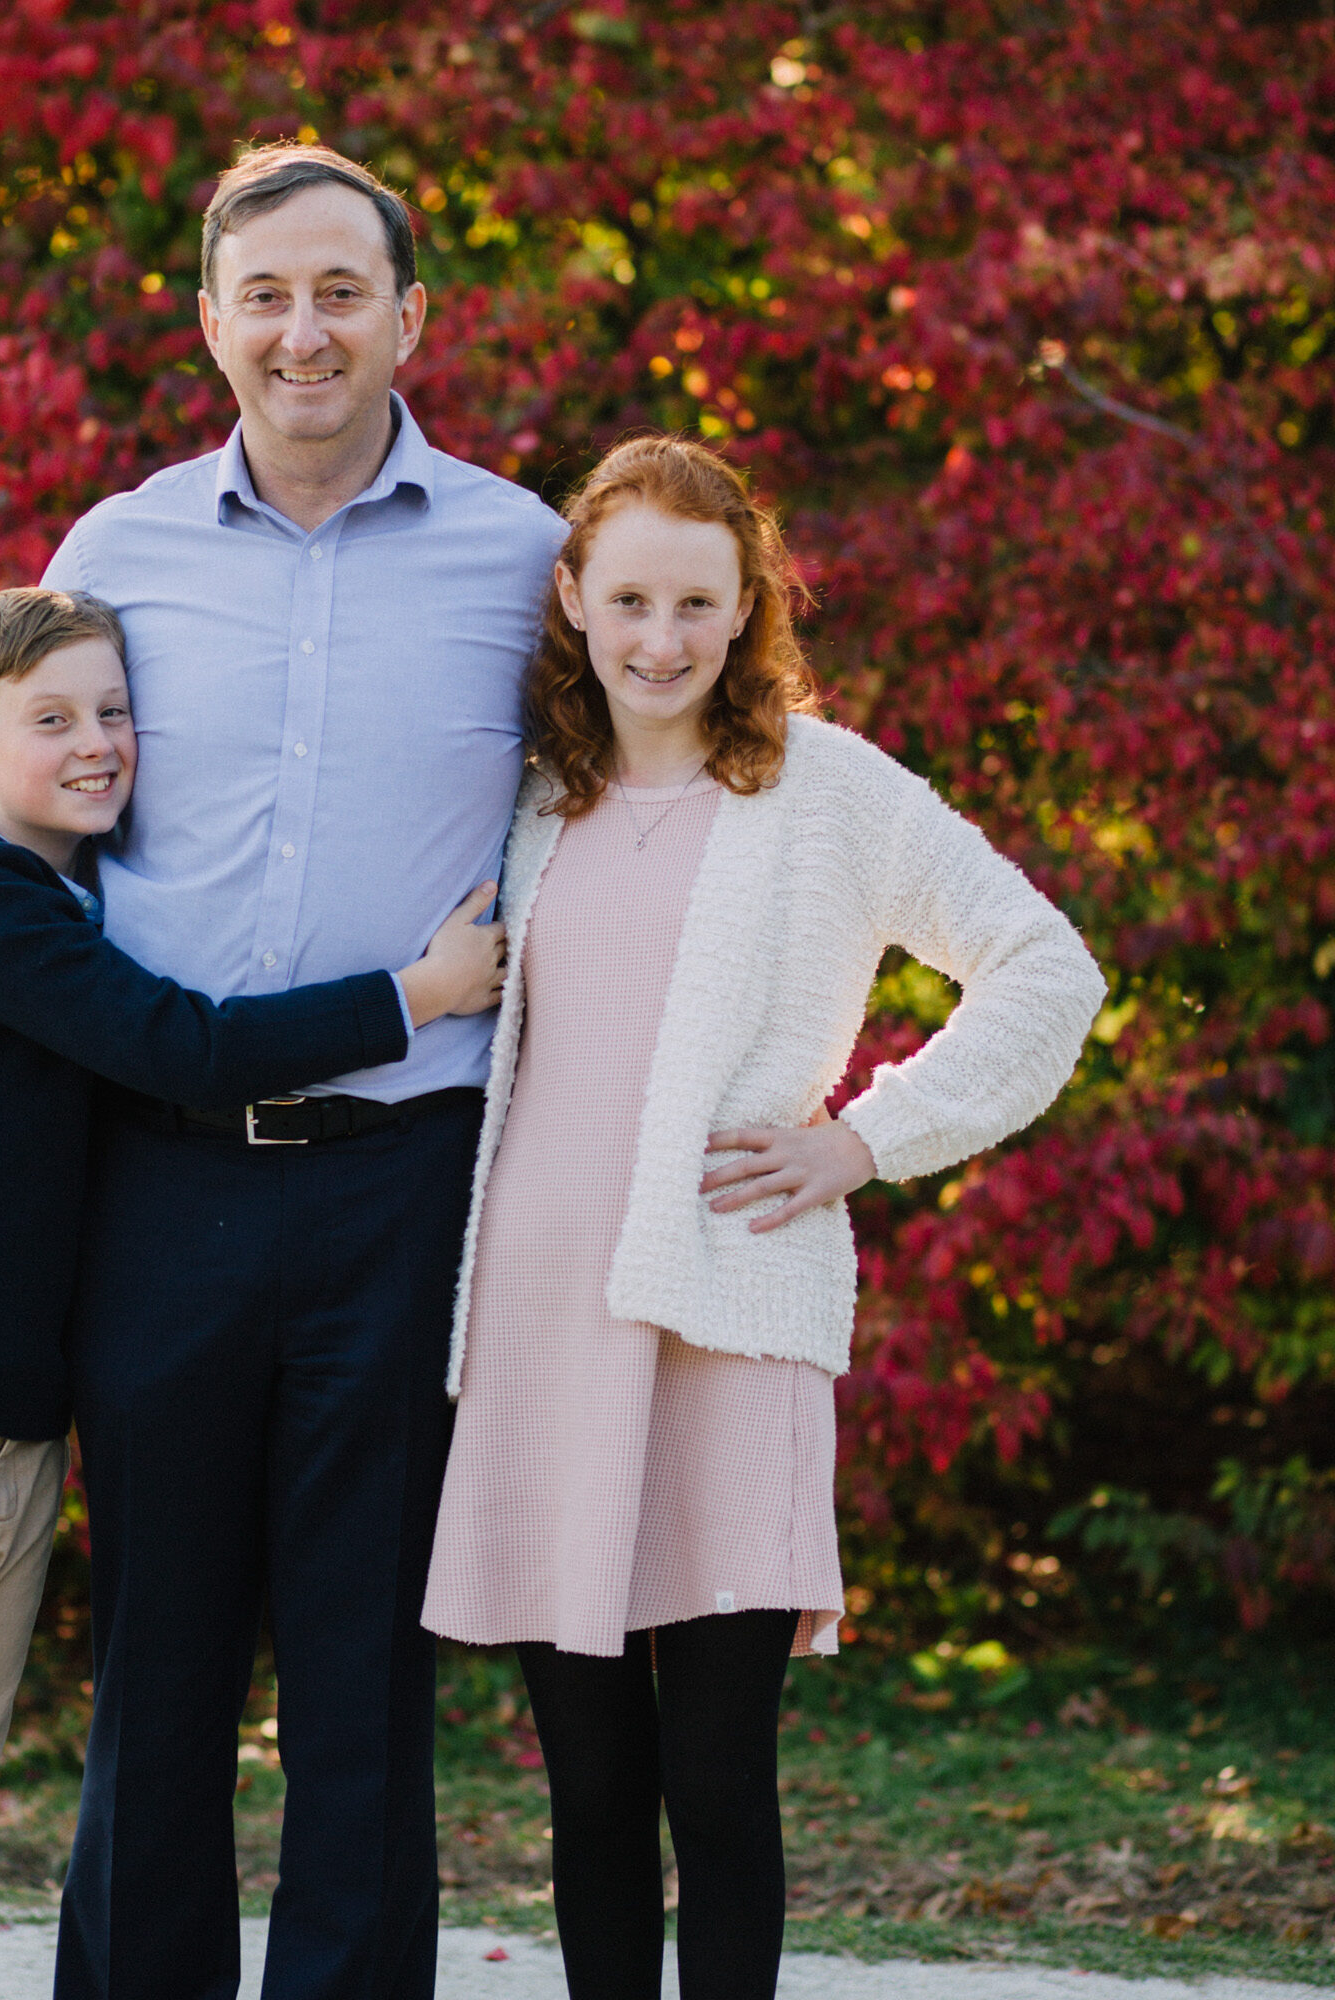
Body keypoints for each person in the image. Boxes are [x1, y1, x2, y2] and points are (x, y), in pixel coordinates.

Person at [0, 142, 568, 2000]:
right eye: (264, 295)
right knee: (161, 1653)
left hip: (402, 1177)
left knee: (361, 1664)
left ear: (411, 317)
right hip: (158, 1183)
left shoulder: (524, 554)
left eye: (341, 292)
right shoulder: (114, 550)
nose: (305, 331)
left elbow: (637, 794)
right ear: (211, 322)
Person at [420, 436, 1106, 2000]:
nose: (661, 640)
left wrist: (865, 1143)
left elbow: (1047, 969)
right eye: (631, 600)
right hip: (540, 1325)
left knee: (716, 1782)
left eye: (698, 604)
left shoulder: (826, 791)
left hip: (728, 1318)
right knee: (590, 1788)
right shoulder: (535, 799)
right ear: (577, 603)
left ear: (748, 614)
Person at [0, 584, 503, 2000]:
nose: (97, 743)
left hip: (1, 1437)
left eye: (112, 712)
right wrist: (422, 992)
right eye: (50, 721)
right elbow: (185, 1045)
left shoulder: (57, 883)